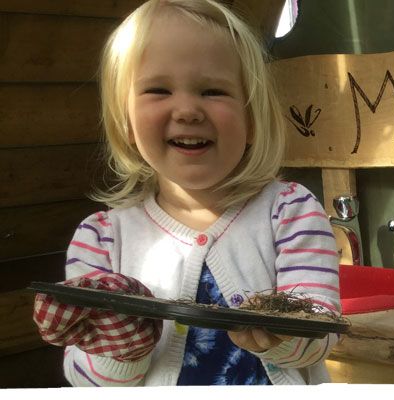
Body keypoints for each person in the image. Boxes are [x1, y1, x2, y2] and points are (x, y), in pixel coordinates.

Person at [31, 0, 341, 386]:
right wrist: (120, 349)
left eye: (213, 91)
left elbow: (322, 332)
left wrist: (284, 336)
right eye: (158, 90)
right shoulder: (101, 237)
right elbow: (83, 379)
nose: (187, 110)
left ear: (252, 118)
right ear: (125, 121)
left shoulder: (291, 212)